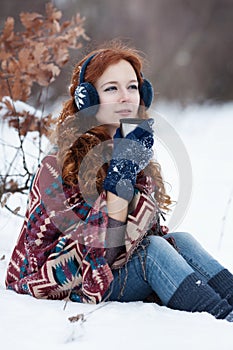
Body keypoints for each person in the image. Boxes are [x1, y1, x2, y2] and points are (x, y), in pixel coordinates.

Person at [5, 40, 233, 322]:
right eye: (112, 88)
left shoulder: (128, 145)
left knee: (180, 241)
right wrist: (120, 178)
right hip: (65, 277)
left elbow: (140, 233)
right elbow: (95, 252)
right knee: (154, 252)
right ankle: (224, 321)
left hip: (110, 265)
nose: (126, 97)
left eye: (133, 87)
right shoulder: (58, 165)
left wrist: (128, 167)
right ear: (87, 99)